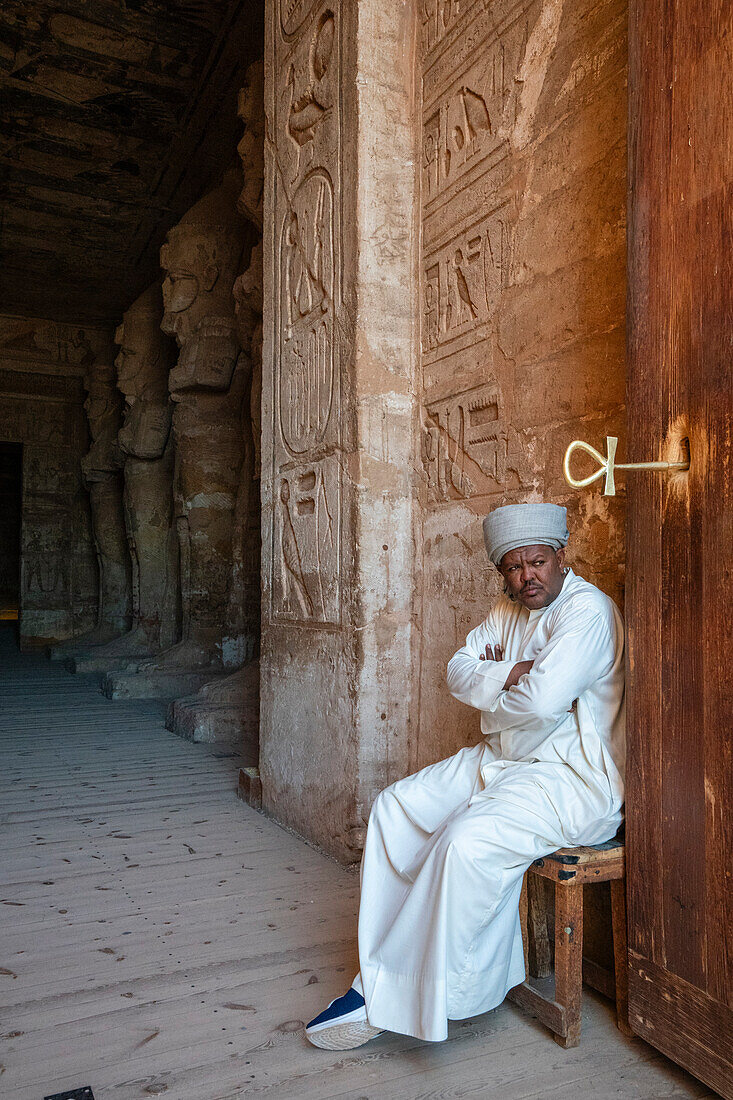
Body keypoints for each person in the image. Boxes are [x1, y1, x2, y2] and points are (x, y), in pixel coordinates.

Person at [305, 501, 625, 1050]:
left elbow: (545, 699)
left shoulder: (586, 613)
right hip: (500, 760)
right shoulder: (508, 612)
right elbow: (457, 669)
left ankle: (393, 997)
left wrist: (494, 693)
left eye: (537, 562)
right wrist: (511, 675)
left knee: (463, 843)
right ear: (502, 571)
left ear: (560, 556)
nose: (526, 577)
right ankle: (387, 969)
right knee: (395, 808)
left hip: (571, 780)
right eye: (513, 567)